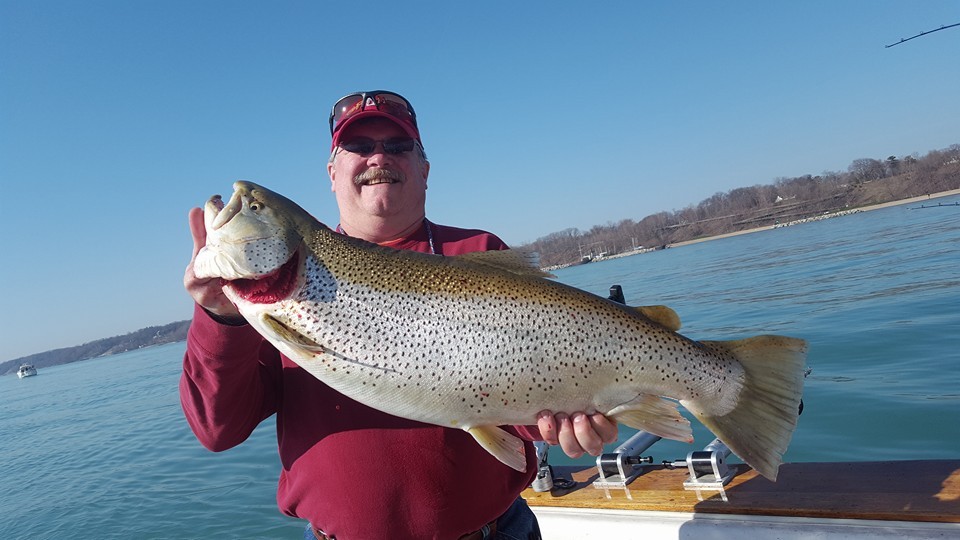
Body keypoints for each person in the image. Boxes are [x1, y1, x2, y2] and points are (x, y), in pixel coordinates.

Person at [180, 90, 618, 540]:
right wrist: (220, 317)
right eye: (359, 147)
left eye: (397, 146)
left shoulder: (478, 254)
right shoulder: (264, 307)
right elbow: (218, 430)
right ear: (332, 173)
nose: (378, 158)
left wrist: (562, 423)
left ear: (424, 169)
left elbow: (521, 407)